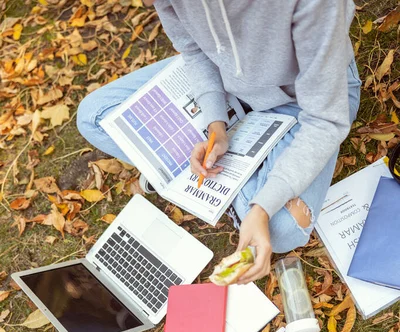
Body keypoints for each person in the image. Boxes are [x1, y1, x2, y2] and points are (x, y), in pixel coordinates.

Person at [77, 0, 361, 284]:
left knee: (281, 228)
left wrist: (262, 207)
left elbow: (325, 120)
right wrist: (216, 124)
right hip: (225, 83)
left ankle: (194, 183)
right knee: (94, 117)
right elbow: (194, 50)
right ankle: (216, 182)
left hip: (299, 99)